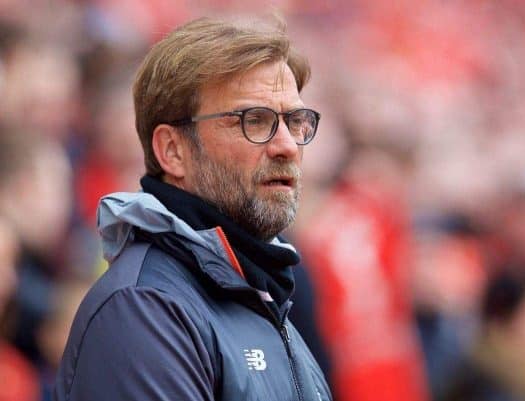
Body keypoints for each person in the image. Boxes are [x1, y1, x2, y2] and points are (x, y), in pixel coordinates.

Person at [54, 15, 331, 401]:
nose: (287, 145)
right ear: (172, 150)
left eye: (295, 121)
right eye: (254, 120)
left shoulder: (265, 296)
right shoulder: (144, 312)